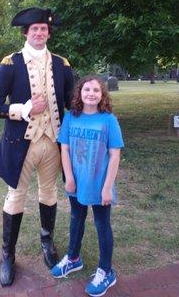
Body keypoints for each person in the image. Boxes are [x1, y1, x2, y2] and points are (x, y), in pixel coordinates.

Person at [0, 7, 74, 287]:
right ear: (25, 32)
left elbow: (71, 103)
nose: (40, 33)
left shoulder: (62, 64)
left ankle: (47, 242)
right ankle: (7, 255)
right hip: (21, 143)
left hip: (52, 141)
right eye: (35, 29)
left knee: (49, 193)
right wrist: (24, 108)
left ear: (49, 33)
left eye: (44, 29)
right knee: (15, 196)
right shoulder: (10, 63)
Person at [50, 75, 124, 297]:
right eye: (86, 90)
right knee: (76, 219)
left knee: (102, 224)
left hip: (99, 184)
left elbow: (115, 155)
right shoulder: (71, 118)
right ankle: (73, 258)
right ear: (79, 94)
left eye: (96, 90)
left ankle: (106, 271)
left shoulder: (108, 120)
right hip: (76, 182)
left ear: (102, 95)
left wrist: (107, 187)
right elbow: (64, 149)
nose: (91, 93)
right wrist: (69, 177)